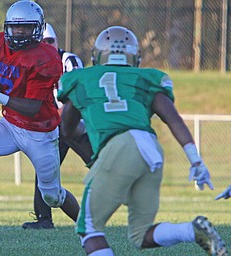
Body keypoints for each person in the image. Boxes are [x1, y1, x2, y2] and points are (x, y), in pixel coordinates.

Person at [58, 26, 227, 256]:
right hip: (150, 149)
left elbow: (66, 127)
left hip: (119, 146)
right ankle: (192, 230)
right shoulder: (146, 78)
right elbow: (172, 118)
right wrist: (195, 160)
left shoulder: (82, 79)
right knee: (140, 234)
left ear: (96, 56)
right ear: (135, 57)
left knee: (88, 228)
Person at [0, 0, 80, 240]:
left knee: (52, 196)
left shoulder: (46, 57)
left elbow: (32, 107)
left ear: (38, 29)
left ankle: (89, 230)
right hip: (10, 124)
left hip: (41, 133)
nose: (18, 32)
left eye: (26, 27)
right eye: (14, 27)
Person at [22, 23, 93, 229]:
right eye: (43, 42)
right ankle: (44, 219)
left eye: (50, 41)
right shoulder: (32, 64)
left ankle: (119, 200)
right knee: (44, 168)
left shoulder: (68, 60)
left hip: (75, 122)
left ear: (57, 41)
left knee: (98, 163)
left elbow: (77, 91)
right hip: (53, 126)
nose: (47, 45)